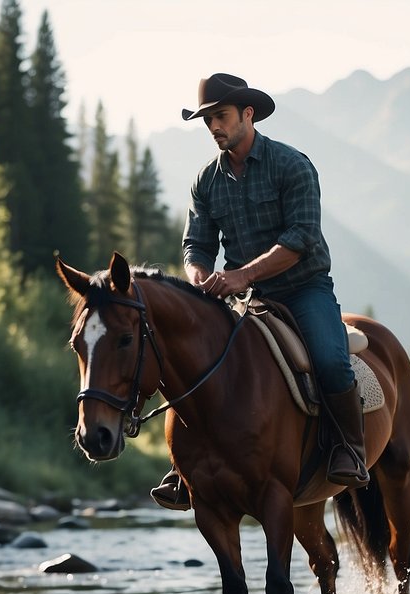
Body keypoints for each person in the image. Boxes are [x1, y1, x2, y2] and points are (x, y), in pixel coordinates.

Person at [150, 72, 368, 511]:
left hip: (303, 288)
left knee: (328, 359)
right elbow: (196, 244)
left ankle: (350, 450)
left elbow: (301, 237)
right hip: (240, 297)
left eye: (221, 116)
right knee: (192, 360)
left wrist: (241, 276)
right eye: (207, 119)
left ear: (248, 114)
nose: (213, 126)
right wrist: (197, 277)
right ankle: (184, 466)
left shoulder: (293, 165)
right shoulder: (205, 182)